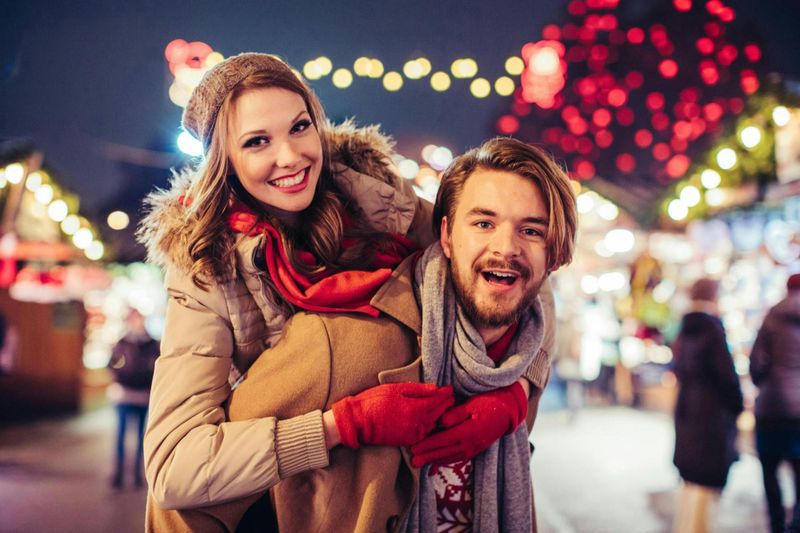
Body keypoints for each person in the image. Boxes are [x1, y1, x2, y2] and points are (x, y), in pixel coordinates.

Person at [145, 136, 576, 532]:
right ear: (445, 234)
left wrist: (518, 393)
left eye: (531, 230)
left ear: (553, 252)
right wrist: (336, 427)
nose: (507, 247)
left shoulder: (522, 352)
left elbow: (540, 301)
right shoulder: (342, 341)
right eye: (483, 223)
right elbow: (180, 495)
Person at [139, 51, 454, 529]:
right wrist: (338, 426)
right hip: (288, 495)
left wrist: (516, 391)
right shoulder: (206, 265)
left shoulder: (383, 200)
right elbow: (174, 468)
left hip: (405, 484)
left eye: (300, 127)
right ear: (225, 161)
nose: (290, 157)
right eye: (257, 141)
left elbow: (499, 259)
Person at [671, 278, 744, 533]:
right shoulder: (712, 328)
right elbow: (727, 376)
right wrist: (738, 405)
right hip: (710, 417)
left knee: (691, 484)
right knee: (705, 486)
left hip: (688, 412)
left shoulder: (686, 327)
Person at [750, 273, 800, 533]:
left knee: (770, 473)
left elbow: (756, 364)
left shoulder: (772, 316)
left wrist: (768, 384)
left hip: (771, 407)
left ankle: (777, 525)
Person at [107, 307, 159, 489]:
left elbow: (159, 368)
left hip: (143, 396)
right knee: (120, 435)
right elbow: (111, 364)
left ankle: (138, 474)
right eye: (133, 319)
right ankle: (118, 473)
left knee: (140, 437)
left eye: (139, 318)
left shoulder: (153, 344)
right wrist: (121, 376)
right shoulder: (122, 343)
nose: (137, 322)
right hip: (124, 395)